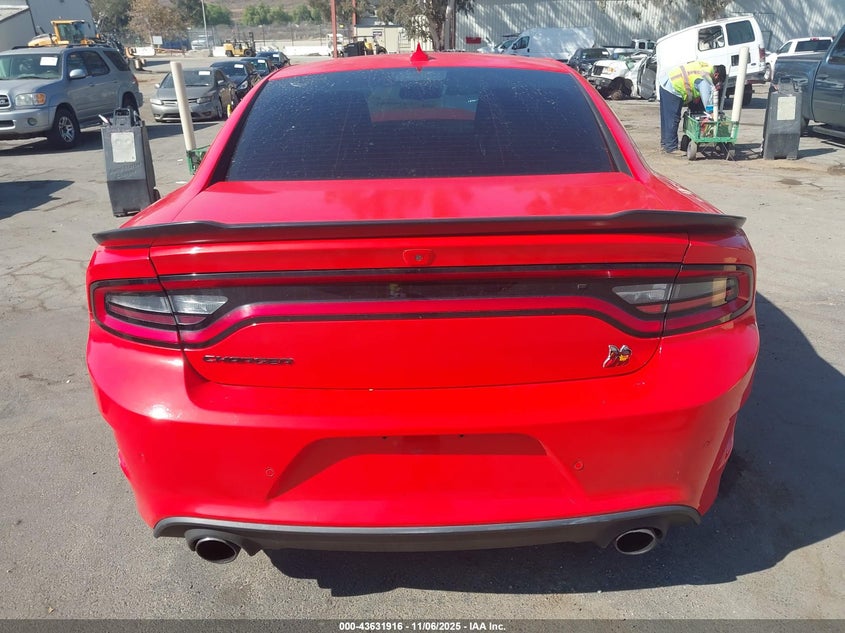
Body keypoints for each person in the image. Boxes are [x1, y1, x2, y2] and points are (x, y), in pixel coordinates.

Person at [658, 60, 725, 154]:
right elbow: (707, 101)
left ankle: (665, 144)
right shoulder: (705, 79)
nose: (715, 84)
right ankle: (671, 147)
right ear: (716, 75)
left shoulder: (706, 66)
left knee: (666, 117)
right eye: (717, 82)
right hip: (674, 87)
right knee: (673, 119)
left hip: (666, 83)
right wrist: (711, 114)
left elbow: (693, 81)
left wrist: (695, 95)